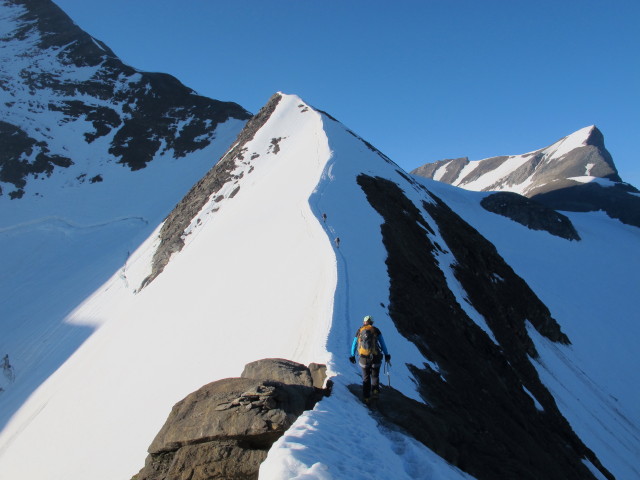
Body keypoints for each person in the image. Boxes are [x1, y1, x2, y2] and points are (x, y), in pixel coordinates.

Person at [349, 316, 391, 403]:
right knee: (375, 375)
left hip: (363, 359)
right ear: (372, 322)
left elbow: (354, 344)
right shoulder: (375, 330)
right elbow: (382, 344)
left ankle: (366, 397)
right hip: (375, 357)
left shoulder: (360, 331)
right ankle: (375, 391)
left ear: (364, 322)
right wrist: (387, 355)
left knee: (366, 378)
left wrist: (352, 355)